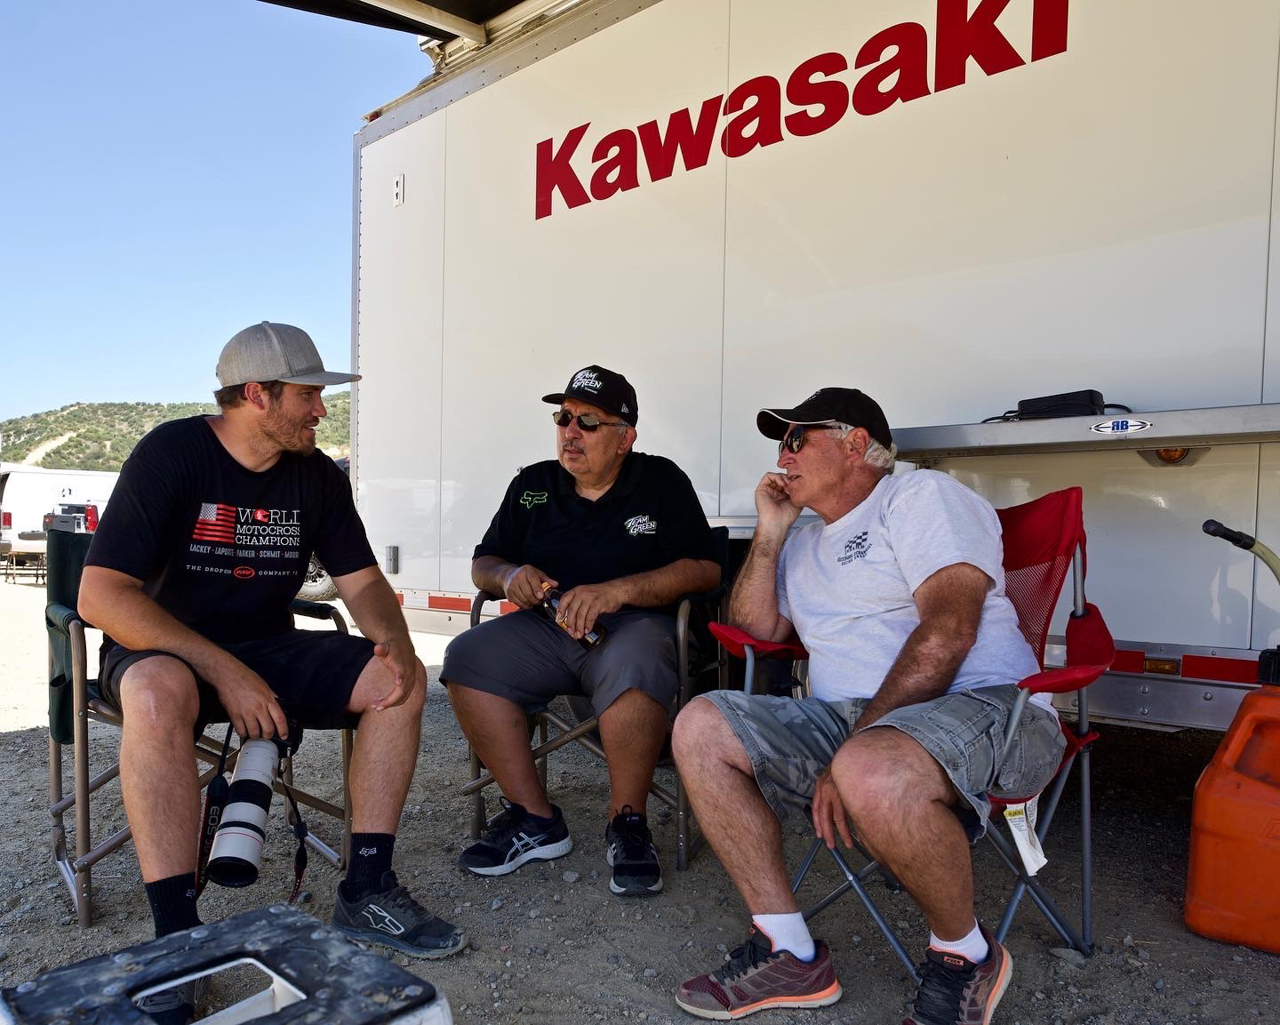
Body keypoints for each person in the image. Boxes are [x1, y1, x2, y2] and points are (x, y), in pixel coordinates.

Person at [79, 322, 466, 1025]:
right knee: (160, 691)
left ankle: (367, 885)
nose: (322, 409)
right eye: (309, 394)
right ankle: (179, 938)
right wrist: (224, 670)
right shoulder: (172, 453)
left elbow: (364, 581)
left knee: (395, 684)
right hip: (164, 647)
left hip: (268, 647)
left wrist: (396, 642)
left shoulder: (316, 474)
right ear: (257, 394)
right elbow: (101, 596)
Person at [671, 388, 1065, 1023]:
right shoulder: (801, 543)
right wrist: (770, 532)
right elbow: (757, 628)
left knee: (870, 768)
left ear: (857, 443)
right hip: (856, 722)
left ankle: (966, 954)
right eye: (780, 441)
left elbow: (949, 633)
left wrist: (855, 749)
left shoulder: (919, 498)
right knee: (700, 726)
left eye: (797, 438)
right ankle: (790, 952)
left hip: (987, 708)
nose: (782, 453)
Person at [442, 365, 721, 897]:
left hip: (634, 626)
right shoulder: (533, 485)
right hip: (548, 629)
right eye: (564, 418)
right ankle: (534, 818)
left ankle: (628, 822)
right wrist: (508, 575)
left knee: (635, 665)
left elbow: (705, 570)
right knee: (467, 659)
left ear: (626, 438)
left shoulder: (661, 481)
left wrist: (617, 591)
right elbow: (485, 563)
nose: (570, 432)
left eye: (588, 422)